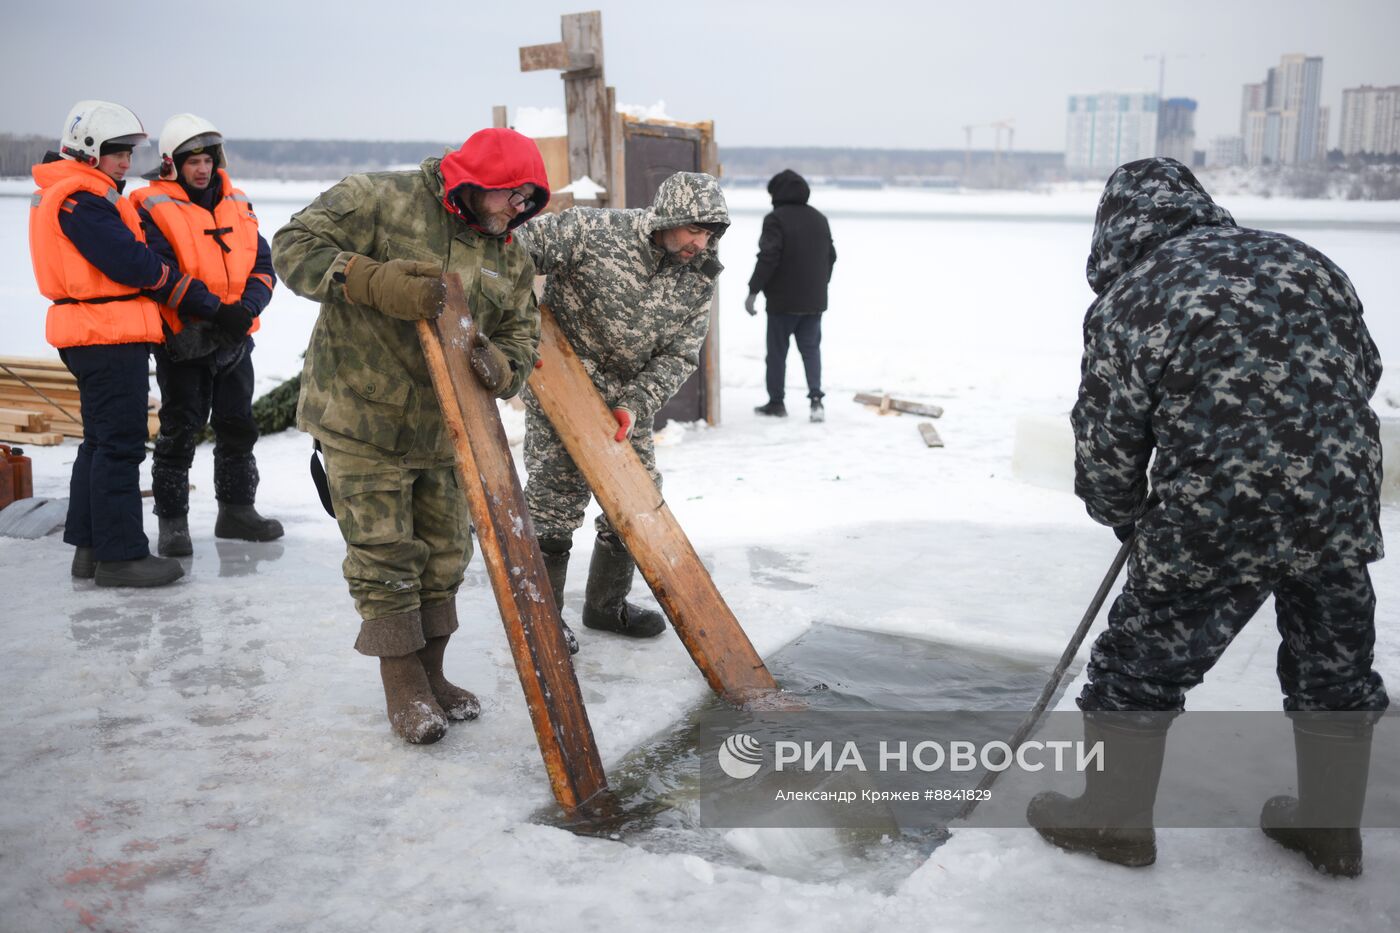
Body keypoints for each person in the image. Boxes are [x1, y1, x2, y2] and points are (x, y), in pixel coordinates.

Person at [1027, 158, 1389, 877]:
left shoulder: (1135, 296)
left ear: (1114, 229)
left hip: (1215, 513)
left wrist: (1126, 515)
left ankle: (1114, 821)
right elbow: (1365, 370)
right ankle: (1331, 829)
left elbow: (1107, 440)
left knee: (1136, 668)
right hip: (1338, 502)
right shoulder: (1307, 264)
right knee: (1335, 667)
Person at [271, 129, 548, 745]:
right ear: (471, 183)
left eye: (528, 199)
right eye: (508, 195)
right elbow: (291, 247)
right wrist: (371, 281)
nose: (516, 210)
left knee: (446, 554)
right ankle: (403, 686)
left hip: (446, 428)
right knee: (384, 554)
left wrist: (503, 366)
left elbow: (523, 335)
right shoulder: (379, 198)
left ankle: (432, 673)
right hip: (360, 415)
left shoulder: (510, 255)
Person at [518, 172, 729, 653]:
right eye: (695, 230)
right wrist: (518, 325)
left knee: (635, 505)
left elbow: (680, 355)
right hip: (562, 389)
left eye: (711, 233)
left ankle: (605, 607)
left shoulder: (698, 276)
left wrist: (635, 404)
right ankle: (543, 623)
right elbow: (510, 254)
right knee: (553, 504)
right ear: (669, 217)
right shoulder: (592, 230)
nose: (702, 242)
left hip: (623, 406)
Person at [29, 100, 223, 588]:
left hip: (98, 331)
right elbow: (128, 261)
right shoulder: (82, 198)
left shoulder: (80, 192)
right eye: (116, 151)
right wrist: (176, 285)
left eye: (129, 151)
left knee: (98, 444)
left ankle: (90, 549)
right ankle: (121, 556)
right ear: (90, 151)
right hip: (105, 333)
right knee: (119, 446)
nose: (125, 161)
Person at [131, 113, 282, 557]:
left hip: (235, 338)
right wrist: (215, 311)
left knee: (238, 426)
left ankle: (236, 510)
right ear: (171, 164)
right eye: (191, 160)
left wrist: (247, 310)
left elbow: (263, 266)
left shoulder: (239, 202)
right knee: (180, 429)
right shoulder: (150, 205)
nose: (201, 169)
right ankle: (172, 524)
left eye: (207, 159)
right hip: (184, 339)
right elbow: (159, 273)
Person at [744, 169, 835, 422]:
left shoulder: (775, 219)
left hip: (782, 303)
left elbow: (768, 257)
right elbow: (831, 257)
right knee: (811, 351)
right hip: (814, 302)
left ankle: (776, 403)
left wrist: (753, 290)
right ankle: (816, 400)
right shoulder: (820, 219)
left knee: (777, 355)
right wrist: (820, 284)